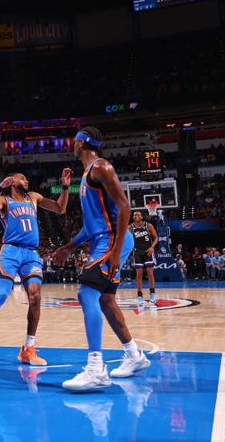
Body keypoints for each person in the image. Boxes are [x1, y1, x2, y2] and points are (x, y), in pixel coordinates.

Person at [54, 127, 150, 391]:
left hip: (111, 240)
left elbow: (125, 207)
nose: (71, 144)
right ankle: (135, 355)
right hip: (102, 238)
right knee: (106, 300)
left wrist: (116, 252)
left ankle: (96, 369)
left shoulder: (101, 167)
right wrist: (69, 247)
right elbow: (91, 224)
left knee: (87, 294)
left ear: (82, 142)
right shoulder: (86, 176)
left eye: (74, 140)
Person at [0, 168, 72, 366]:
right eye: (23, 178)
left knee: (35, 296)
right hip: (11, 252)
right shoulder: (5, 200)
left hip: (30, 253)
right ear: (13, 181)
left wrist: (65, 186)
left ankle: (28, 348)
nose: (27, 181)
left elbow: (60, 208)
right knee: (3, 293)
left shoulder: (33, 197)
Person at [129, 211, 158, 305]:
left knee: (150, 272)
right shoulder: (130, 227)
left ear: (142, 216)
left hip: (148, 251)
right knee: (139, 274)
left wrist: (152, 247)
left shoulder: (148, 225)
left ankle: (152, 293)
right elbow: (126, 240)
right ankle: (140, 295)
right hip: (137, 252)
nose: (136, 216)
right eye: (134, 215)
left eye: (138, 215)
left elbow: (156, 238)